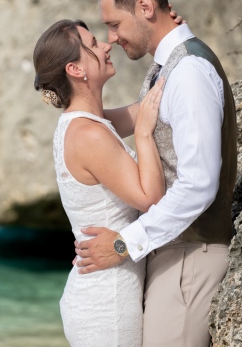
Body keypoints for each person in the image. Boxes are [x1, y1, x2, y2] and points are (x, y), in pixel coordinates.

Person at [75, 0, 237, 347]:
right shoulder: (169, 64)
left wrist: (122, 244)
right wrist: (71, 113)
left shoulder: (190, 73)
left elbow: (199, 185)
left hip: (192, 255)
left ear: (146, 8)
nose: (111, 38)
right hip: (174, 251)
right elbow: (130, 117)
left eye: (114, 24)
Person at [32, 19, 167, 347]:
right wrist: (145, 135)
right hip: (107, 304)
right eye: (93, 44)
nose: (106, 46)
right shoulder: (89, 135)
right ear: (76, 69)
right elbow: (150, 198)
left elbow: (143, 110)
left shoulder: (87, 124)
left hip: (100, 292)